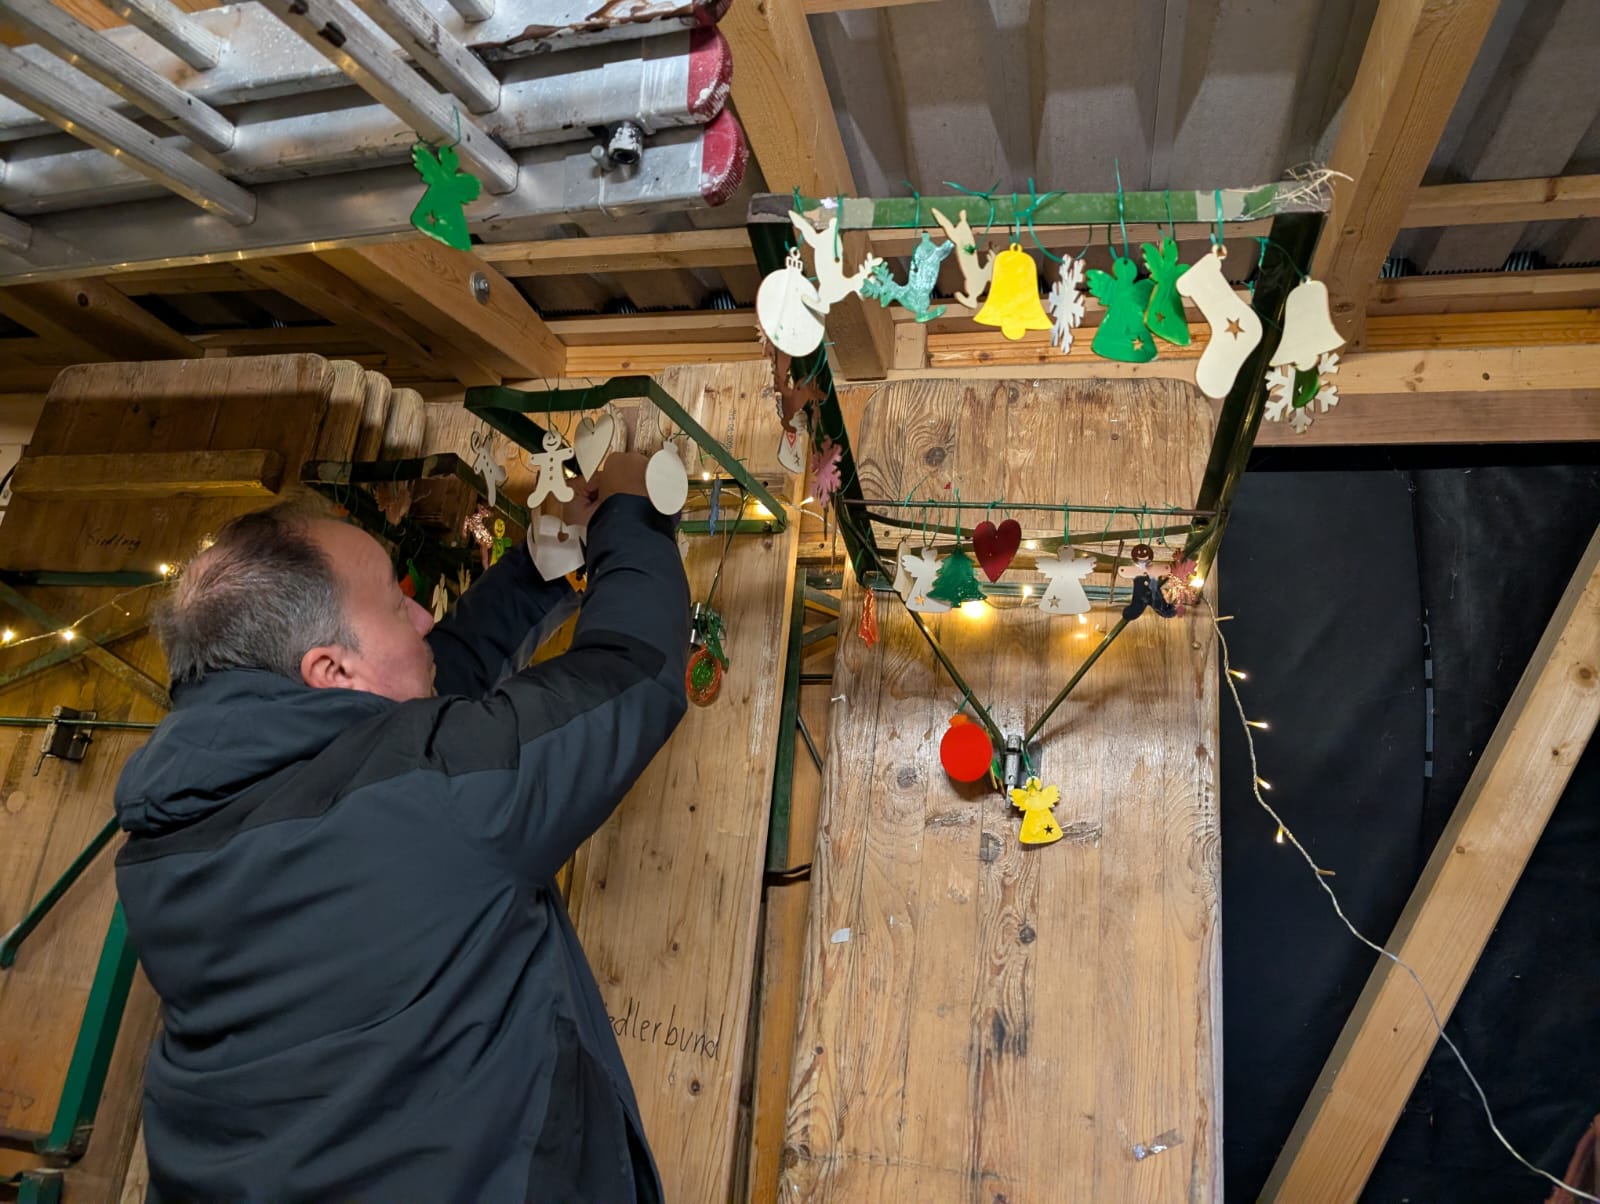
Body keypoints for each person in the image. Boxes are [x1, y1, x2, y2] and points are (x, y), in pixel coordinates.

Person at [114, 452, 689, 1203]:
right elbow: (630, 672)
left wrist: (537, 565)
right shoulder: (429, 800)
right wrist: (632, 513)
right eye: (394, 601)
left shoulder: (167, 836)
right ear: (330, 669)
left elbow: (418, 688)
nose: (423, 615)